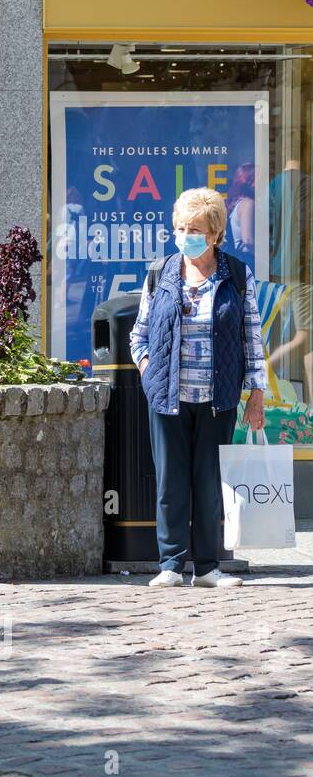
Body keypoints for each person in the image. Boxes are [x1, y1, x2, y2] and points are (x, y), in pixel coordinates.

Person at [129, 187, 266, 589]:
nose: (186, 235)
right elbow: (138, 334)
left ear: (215, 234)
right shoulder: (160, 273)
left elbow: (251, 338)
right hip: (168, 396)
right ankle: (170, 565)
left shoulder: (237, 276)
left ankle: (207, 568)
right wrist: (147, 370)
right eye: (181, 228)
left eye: (195, 229)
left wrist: (256, 393)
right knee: (171, 482)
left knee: (208, 484)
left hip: (216, 398)